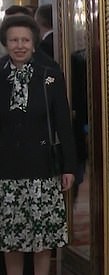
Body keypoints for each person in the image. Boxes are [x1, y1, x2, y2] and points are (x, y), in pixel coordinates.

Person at [0, 14, 76, 275]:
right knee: (11, 240)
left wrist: (70, 168)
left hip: (42, 170)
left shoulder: (50, 77)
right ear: (6, 43)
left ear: (33, 43)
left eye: (24, 40)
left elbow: (64, 126)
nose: (19, 45)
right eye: (13, 40)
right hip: (6, 171)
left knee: (43, 240)